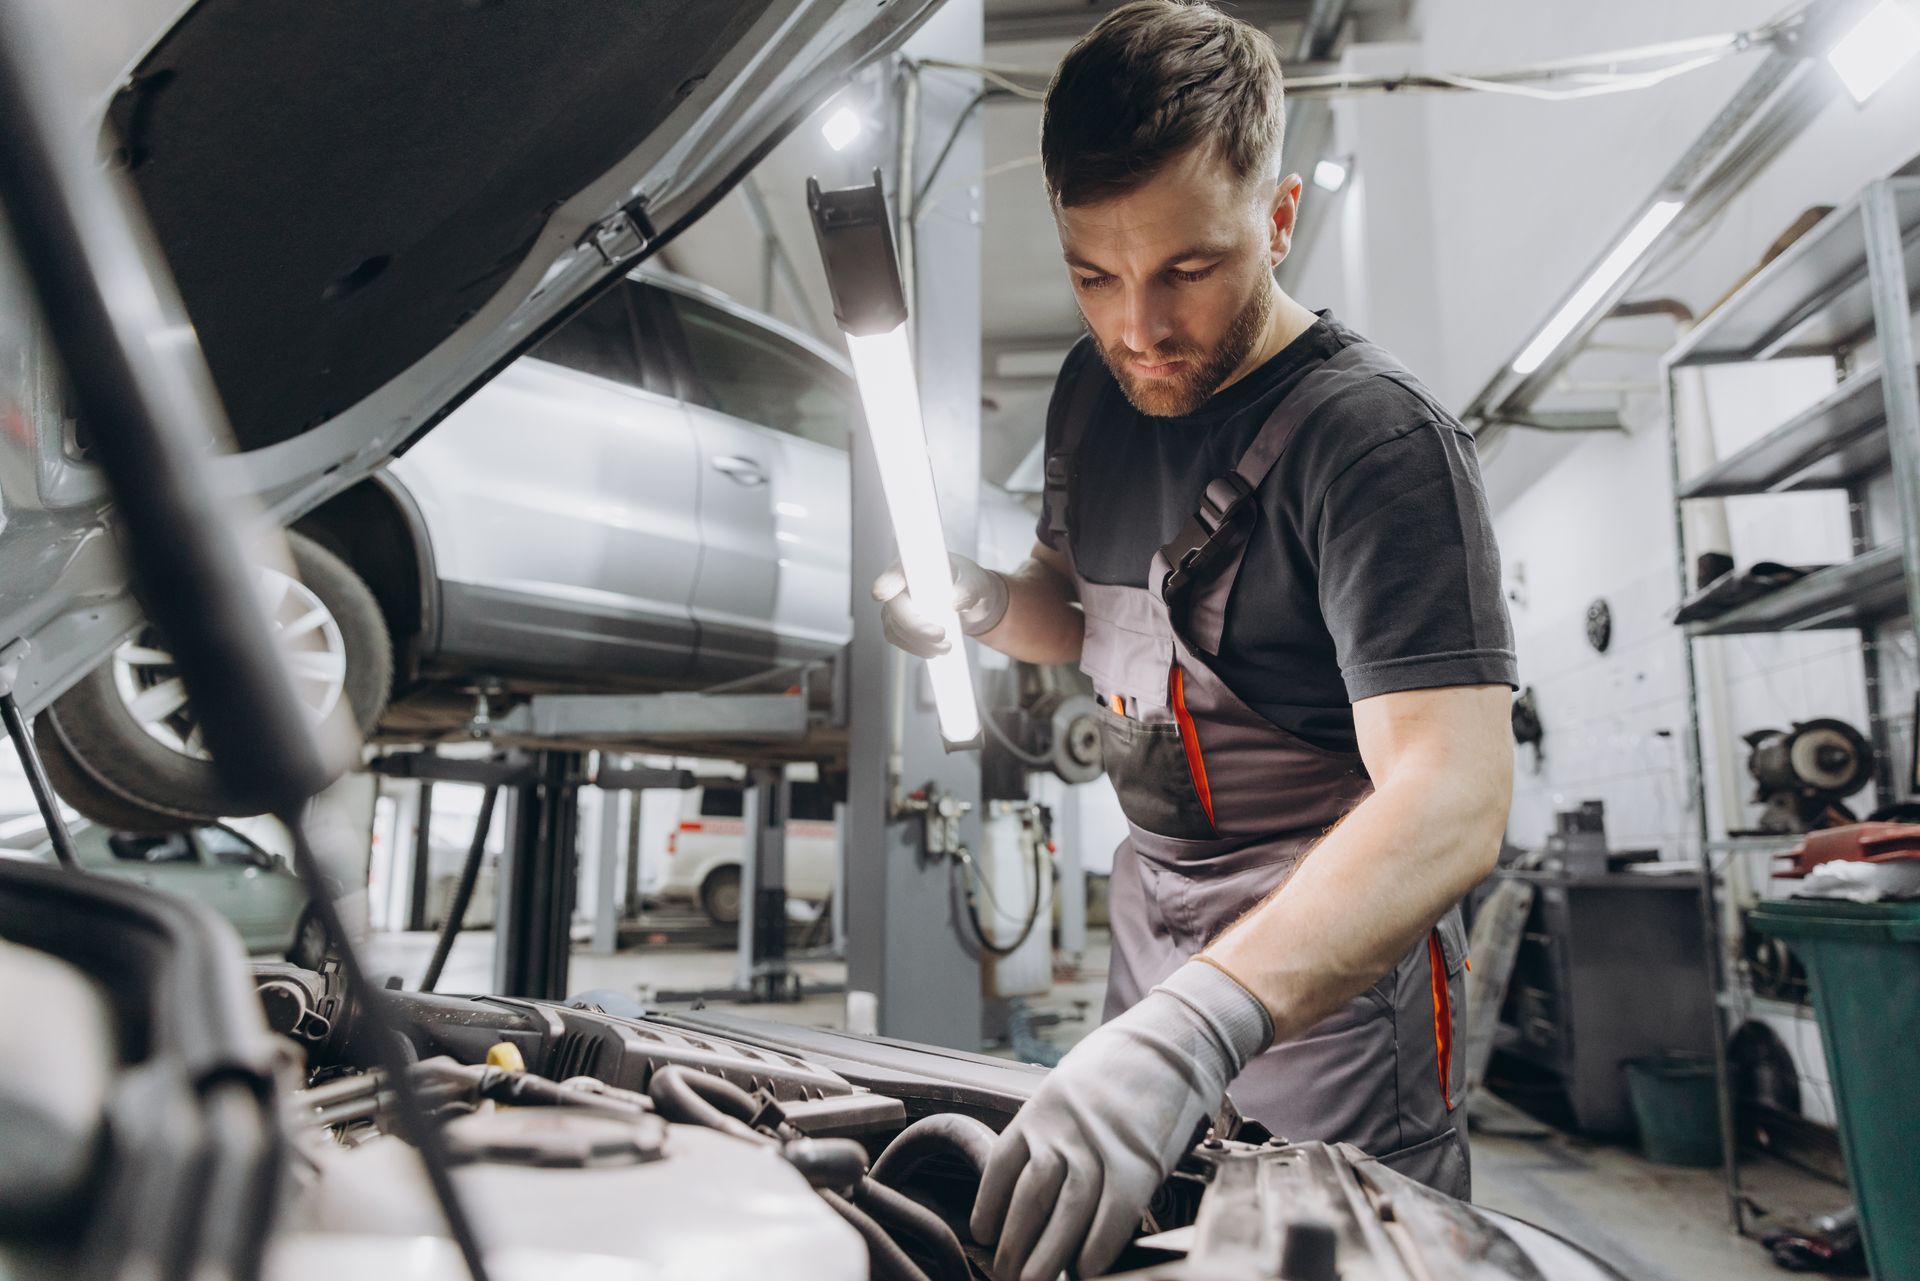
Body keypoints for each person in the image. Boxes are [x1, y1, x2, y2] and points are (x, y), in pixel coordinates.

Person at [871, 3, 1518, 1278]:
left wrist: (1196, 1027)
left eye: (1188, 269)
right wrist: (984, 603)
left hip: (1336, 979)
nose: (1139, 330)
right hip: (1156, 923)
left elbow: (1454, 794)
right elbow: (1074, 602)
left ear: (1276, 223)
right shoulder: (1090, 394)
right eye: (1093, 274)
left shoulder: (1374, 445)